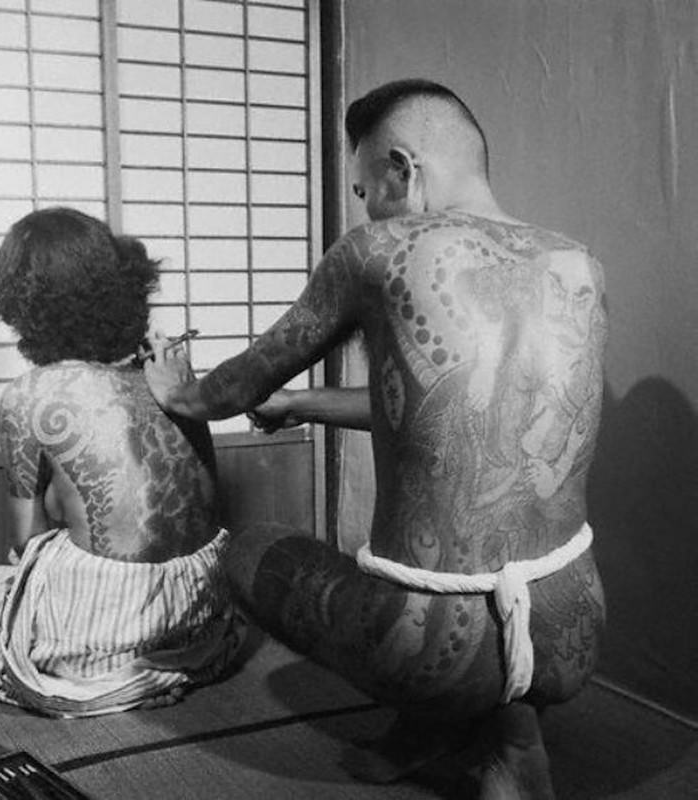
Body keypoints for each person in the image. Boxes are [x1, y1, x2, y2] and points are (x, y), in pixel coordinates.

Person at [144, 79, 607, 798]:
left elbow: (237, 385)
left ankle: (468, 728)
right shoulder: (577, 265)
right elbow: (446, 412)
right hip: (572, 627)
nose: (368, 207)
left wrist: (179, 393)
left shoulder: (379, 251)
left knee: (248, 553)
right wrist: (305, 403)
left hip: (429, 641)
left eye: (366, 190)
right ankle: (479, 733)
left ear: (403, 168)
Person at [0, 207, 245, 717]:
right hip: (202, 618)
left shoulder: (31, 394)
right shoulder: (169, 375)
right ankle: (167, 663)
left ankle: (108, 678)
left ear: (23, 305)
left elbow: (27, 540)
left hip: (101, 630)